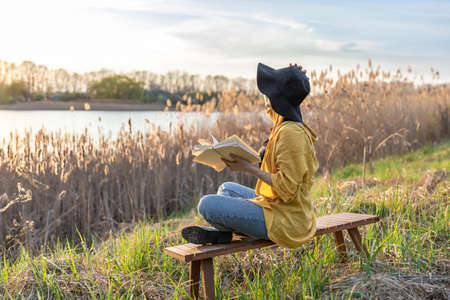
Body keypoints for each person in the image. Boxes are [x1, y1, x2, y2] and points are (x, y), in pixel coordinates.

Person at [181, 62, 319, 249]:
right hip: (279, 206)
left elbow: (288, 188)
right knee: (226, 188)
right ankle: (224, 233)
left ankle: (224, 232)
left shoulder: (290, 134)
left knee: (206, 205)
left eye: (268, 91)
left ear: (278, 98)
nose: (264, 95)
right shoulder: (283, 124)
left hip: (289, 222)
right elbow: (284, 106)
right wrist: (295, 78)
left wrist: (248, 169)